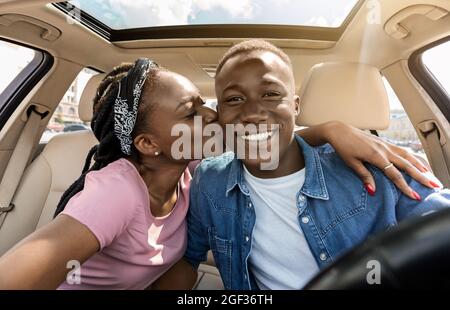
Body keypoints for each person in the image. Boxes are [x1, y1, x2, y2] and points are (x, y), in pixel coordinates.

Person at [0, 56, 439, 290]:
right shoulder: (126, 189)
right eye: (195, 111)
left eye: (206, 105)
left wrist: (333, 128)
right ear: (149, 144)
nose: (214, 117)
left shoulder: (192, 167)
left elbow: (261, 130)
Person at [178, 40, 450, 290]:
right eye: (234, 99)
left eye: (271, 94)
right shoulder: (209, 181)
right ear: (220, 115)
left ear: (295, 106)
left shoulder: (378, 165)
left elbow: (438, 223)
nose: (252, 113)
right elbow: (190, 257)